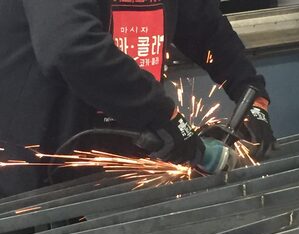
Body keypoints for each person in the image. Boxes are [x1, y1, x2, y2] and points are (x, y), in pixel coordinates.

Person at [0, 0, 276, 196]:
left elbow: (206, 29)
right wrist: (160, 115)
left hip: (121, 171)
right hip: (39, 175)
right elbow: (73, 46)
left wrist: (252, 95)